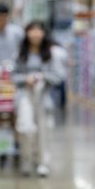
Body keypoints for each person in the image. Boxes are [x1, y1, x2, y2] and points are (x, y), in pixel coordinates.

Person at [13, 21, 62, 177]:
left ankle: (43, 162)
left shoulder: (51, 55)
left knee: (43, 131)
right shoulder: (20, 54)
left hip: (44, 97)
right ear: (27, 33)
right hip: (25, 96)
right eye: (32, 31)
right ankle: (26, 160)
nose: (35, 34)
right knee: (26, 128)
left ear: (43, 33)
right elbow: (13, 76)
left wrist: (42, 77)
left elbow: (58, 75)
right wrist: (25, 79)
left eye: (38, 31)